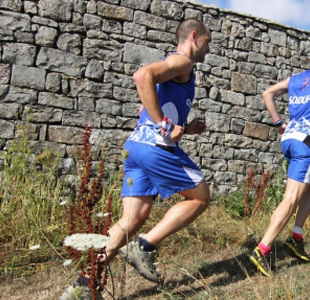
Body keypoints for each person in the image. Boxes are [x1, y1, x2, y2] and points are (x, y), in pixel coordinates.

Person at [101, 18, 211, 283]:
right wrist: (164, 124)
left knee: (131, 220)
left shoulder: (172, 65)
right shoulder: (182, 61)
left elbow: (145, 109)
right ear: (194, 36)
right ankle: (144, 247)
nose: (209, 49)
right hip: (155, 148)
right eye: (208, 42)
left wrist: (184, 127)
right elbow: (142, 76)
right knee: (200, 197)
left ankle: (85, 282)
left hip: (136, 147)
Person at [248, 43, 310, 276]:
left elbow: (267, 93)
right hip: (306, 143)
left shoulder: (296, 78)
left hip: (289, 140)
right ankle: (262, 249)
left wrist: (278, 122)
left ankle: (296, 237)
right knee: (291, 199)